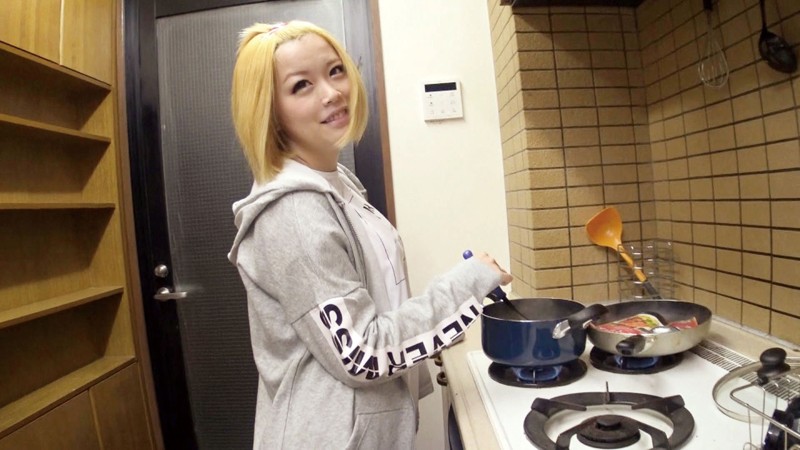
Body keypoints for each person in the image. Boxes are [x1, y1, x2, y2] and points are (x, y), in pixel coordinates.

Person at [227, 20, 512, 449]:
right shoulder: (295, 212)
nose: (331, 92)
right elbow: (362, 352)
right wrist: (466, 284)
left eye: (335, 70)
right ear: (271, 112)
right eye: (301, 85)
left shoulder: (338, 183)